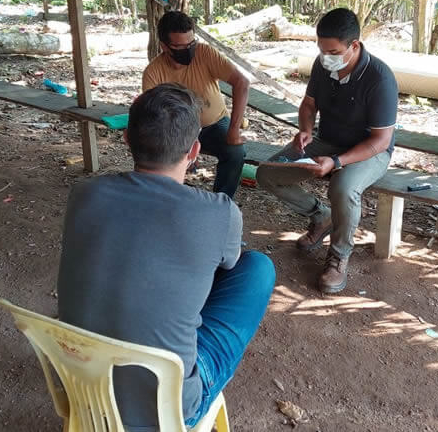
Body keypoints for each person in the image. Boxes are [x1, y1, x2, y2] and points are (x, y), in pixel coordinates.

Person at [57, 83, 275, 431]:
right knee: (257, 267)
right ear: (195, 151)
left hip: (80, 386)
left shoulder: (84, 193)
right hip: (168, 410)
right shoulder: (220, 213)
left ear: (126, 139)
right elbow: (228, 268)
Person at [256, 8, 398, 294]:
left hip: (369, 151)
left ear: (354, 45)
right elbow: (309, 104)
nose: (325, 57)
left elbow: (381, 140)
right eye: (321, 50)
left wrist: (336, 161)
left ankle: (339, 256)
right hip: (327, 140)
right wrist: (306, 130)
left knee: (343, 188)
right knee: (267, 174)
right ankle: (321, 216)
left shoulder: (379, 78)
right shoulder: (324, 65)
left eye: (333, 52)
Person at [142, 11, 250, 198]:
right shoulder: (153, 72)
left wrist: (233, 130)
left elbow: (242, 82)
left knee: (235, 153)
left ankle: (222, 202)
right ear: (164, 46)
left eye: (191, 43)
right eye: (180, 46)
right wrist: (182, 142)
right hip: (177, 129)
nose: (189, 50)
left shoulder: (205, 53)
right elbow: (154, 116)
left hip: (214, 124)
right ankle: (170, 200)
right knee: (159, 157)